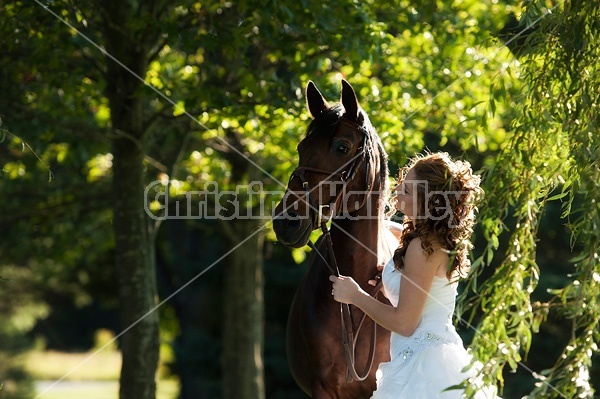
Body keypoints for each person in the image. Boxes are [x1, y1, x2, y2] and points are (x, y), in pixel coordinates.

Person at [330, 152, 498, 398]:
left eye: (407, 190)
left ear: (427, 201)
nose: (398, 192)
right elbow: (399, 235)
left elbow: (404, 324)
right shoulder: (429, 241)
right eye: (401, 185)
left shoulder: (422, 248)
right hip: (425, 358)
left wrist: (355, 295)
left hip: (424, 368)